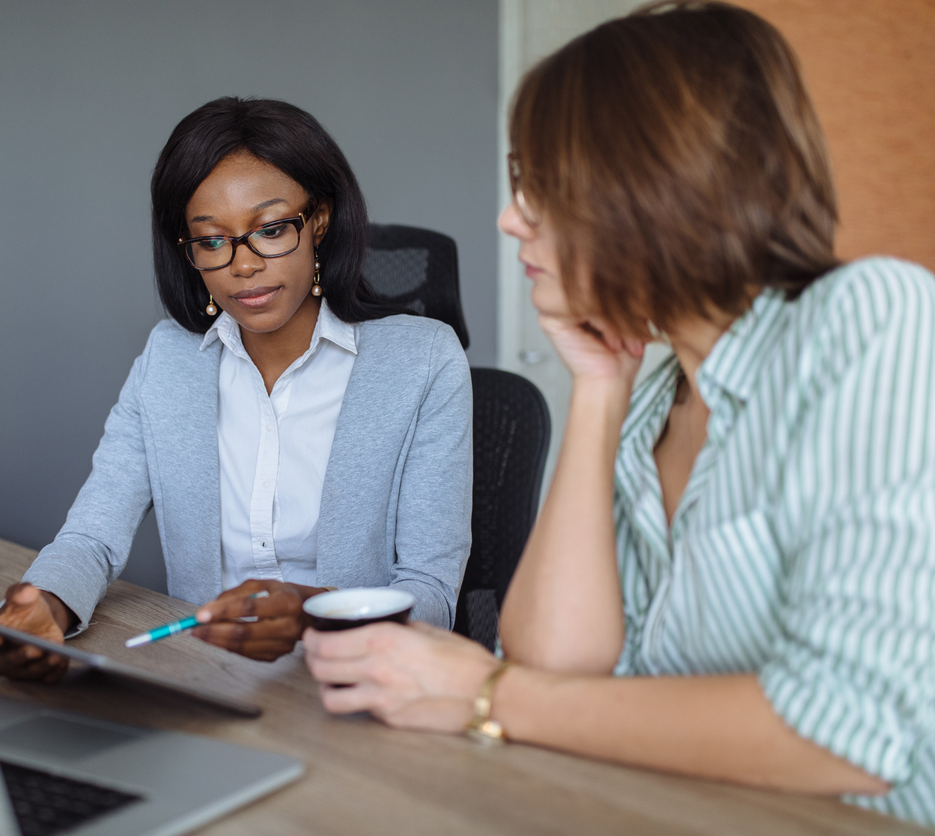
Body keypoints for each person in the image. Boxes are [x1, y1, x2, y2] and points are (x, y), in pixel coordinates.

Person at [303, 2, 935, 826]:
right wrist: (600, 394)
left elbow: (841, 732)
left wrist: (485, 692)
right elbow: (560, 663)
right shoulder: (657, 395)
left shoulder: (875, 319)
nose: (508, 217)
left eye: (536, 181)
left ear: (651, 181)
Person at [0, 97, 472, 679]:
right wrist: (46, 607)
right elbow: (91, 537)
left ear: (319, 220)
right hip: (206, 677)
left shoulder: (424, 360)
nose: (243, 264)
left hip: (357, 685)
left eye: (269, 229)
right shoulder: (170, 360)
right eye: (212, 240)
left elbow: (431, 594)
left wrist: (314, 616)